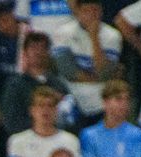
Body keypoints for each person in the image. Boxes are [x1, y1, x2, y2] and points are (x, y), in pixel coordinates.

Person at [52, 0, 122, 129]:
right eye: (86, 11)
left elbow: (104, 72)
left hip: (101, 102)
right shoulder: (62, 32)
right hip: (71, 99)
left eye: (95, 10)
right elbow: (68, 71)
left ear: (101, 11)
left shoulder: (113, 35)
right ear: (77, 12)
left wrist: (94, 37)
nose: (91, 15)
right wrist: (98, 78)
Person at [0, 31, 73, 136]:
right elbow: (11, 122)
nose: (38, 52)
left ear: (49, 52)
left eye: (43, 48)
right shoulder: (15, 85)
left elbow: (70, 119)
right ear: (25, 53)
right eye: (33, 48)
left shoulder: (58, 84)